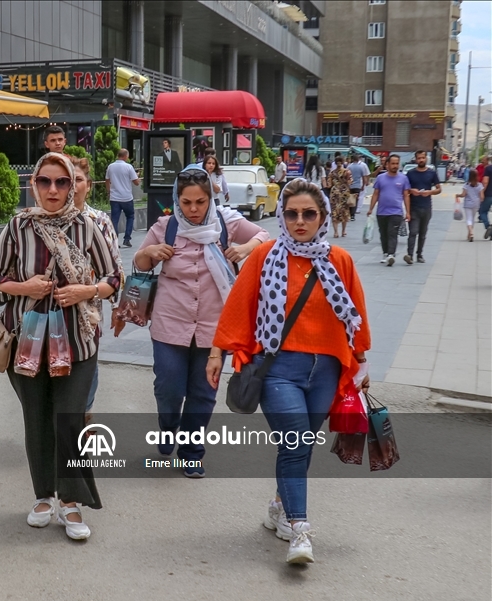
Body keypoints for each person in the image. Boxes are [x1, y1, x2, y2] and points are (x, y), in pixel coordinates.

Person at [208, 179, 371, 565]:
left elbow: (356, 314)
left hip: (326, 368)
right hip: (279, 369)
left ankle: (280, 505)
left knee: (300, 445)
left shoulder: (340, 260)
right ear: (281, 216)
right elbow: (238, 306)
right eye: (292, 213)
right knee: (296, 442)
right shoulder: (264, 256)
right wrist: (217, 353)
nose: (300, 221)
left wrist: (361, 362)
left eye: (308, 214)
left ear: (323, 217)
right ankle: (300, 529)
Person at [0, 152, 121, 541]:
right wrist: (24, 287)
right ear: (34, 185)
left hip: (77, 342)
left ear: (73, 186)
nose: (54, 189)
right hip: (27, 342)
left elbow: (114, 276)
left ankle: (71, 501)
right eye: (45, 181)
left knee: (70, 420)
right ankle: (44, 495)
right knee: (37, 420)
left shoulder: (87, 226)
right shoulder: (18, 226)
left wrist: (85, 291)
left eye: (62, 182)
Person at [127, 165, 269, 478]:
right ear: (177, 200)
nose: (193, 209)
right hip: (170, 322)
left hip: (214, 327)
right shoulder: (166, 226)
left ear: (210, 199)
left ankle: (191, 453)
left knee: (203, 393)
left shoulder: (226, 223)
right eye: (187, 202)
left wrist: (245, 248)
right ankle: (168, 427)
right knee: (169, 387)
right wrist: (151, 251)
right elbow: (139, 262)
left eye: (200, 202)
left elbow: (264, 235)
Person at [69, 155, 124, 415]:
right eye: (67, 180)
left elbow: (115, 267)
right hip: (49, 311)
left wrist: (116, 306)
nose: (72, 186)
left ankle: (84, 413)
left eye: (78, 180)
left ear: (89, 185)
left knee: (87, 364)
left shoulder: (99, 220)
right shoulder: (42, 220)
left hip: (88, 310)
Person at [368, 153, 411, 267]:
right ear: (387, 164)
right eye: (393, 163)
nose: (395, 166)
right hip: (381, 212)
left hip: (396, 212)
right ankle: (385, 253)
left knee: (392, 233)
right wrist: (370, 209)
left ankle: (391, 255)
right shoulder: (380, 178)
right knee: (383, 234)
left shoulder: (403, 178)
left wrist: (408, 212)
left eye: (397, 163)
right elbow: (376, 194)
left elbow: (406, 195)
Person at [404, 149, 441, 263]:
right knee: (413, 231)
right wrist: (412, 190)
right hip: (414, 207)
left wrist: (430, 192)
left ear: (426, 159)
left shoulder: (432, 173)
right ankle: (409, 255)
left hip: (426, 207)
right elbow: (405, 190)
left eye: (423, 158)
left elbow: (439, 189)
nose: (421, 160)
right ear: (415, 159)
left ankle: (419, 254)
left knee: (423, 233)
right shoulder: (410, 173)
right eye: (419, 158)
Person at [105, 148, 140, 248]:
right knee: (130, 216)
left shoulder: (110, 166)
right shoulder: (129, 167)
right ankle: (127, 239)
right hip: (127, 197)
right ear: (125, 156)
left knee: (114, 219)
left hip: (114, 198)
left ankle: (115, 241)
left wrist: (109, 192)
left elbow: (107, 180)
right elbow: (136, 182)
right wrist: (137, 176)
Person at [328, 155, 353, 238]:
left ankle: (336, 232)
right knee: (344, 212)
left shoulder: (332, 173)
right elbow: (350, 182)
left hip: (335, 193)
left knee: (335, 212)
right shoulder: (347, 172)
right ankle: (343, 231)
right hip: (344, 193)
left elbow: (329, 184)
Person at [456, 170, 485, 242]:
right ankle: (469, 234)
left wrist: (458, 195)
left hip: (468, 204)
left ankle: (471, 233)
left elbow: (463, 195)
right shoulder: (480, 185)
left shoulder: (466, 185)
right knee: (472, 219)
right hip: (476, 204)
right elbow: (482, 197)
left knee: (469, 219)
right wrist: (480, 200)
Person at [348, 154, 370, 221]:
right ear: (358, 159)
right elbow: (363, 177)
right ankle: (353, 215)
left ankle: (349, 213)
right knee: (355, 200)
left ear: (352, 159)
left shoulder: (349, 166)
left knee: (350, 199)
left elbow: (346, 176)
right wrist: (363, 185)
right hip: (357, 186)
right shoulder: (361, 167)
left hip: (350, 185)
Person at [480, 158, 492, 240]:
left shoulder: (488, 169)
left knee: (482, 211)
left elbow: (485, 181)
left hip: (489, 194)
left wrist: (482, 192)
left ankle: (488, 226)